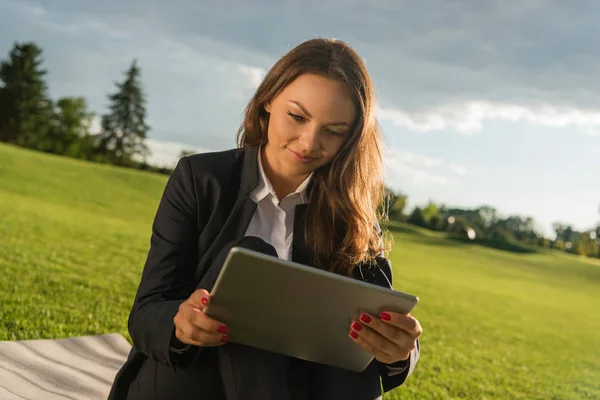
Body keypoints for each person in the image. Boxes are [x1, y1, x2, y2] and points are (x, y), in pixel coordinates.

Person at [108, 37, 422, 400]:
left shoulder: (352, 212)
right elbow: (147, 309)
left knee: (349, 359)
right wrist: (180, 323)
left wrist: (401, 349)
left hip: (297, 382)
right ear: (268, 100)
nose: (309, 142)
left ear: (351, 138)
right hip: (191, 377)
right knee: (249, 259)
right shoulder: (200, 178)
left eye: (333, 131)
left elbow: (382, 325)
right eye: (297, 116)